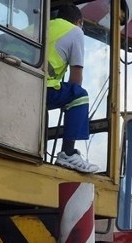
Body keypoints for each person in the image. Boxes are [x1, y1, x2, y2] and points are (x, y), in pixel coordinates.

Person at [46, 5, 99, 173]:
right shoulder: (76, 32)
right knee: (80, 96)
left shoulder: (41, 25)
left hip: (21, 80)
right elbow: (76, 78)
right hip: (40, 88)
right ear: (79, 22)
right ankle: (68, 153)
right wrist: (69, 103)